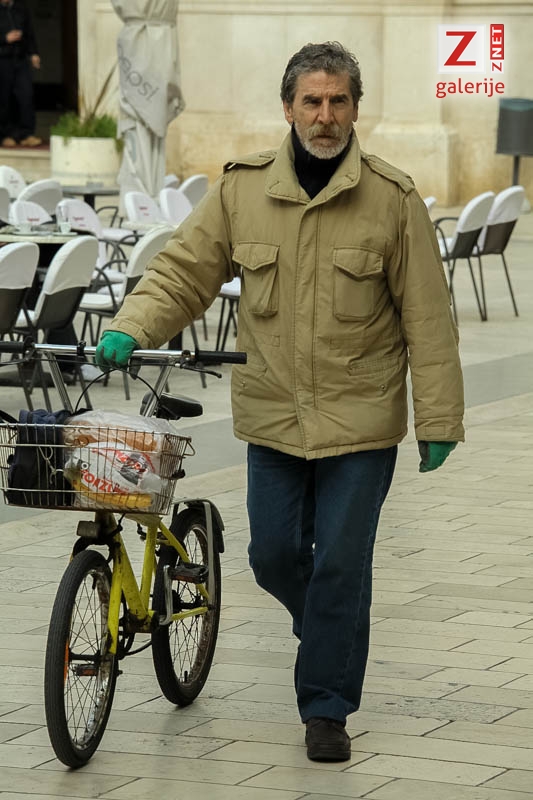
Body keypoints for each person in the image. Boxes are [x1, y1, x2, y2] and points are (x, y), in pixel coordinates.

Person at [95, 42, 465, 762]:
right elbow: (184, 271)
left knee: (340, 566)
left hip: (361, 422)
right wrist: (130, 325)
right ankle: (329, 631)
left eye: (337, 101)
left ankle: (326, 707)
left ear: (355, 108)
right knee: (271, 556)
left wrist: (439, 419)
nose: (325, 116)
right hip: (272, 416)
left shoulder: (392, 199)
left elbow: (428, 317)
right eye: (311, 101)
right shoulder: (242, 190)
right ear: (288, 108)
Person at [0, 0, 42, 147]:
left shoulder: (21, 9)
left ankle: (26, 134)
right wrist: (5, 38)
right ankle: (5, 135)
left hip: (21, 59)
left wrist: (33, 53)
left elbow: (29, 34)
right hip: (2, 59)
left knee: (26, 95)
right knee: (4, 98)